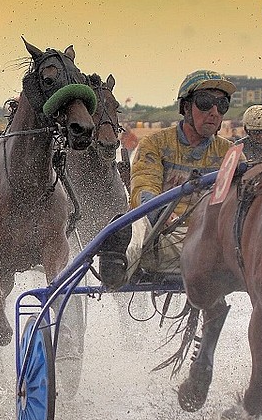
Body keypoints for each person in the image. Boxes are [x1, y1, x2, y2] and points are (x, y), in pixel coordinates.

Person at [98, 70, 238, 289]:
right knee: (134, 222)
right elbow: (143, 191)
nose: (214, 111)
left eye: (222, 105)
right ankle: (116, 267)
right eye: (205, 102)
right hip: (162, 238)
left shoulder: (231, 154)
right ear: (185, 108)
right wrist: (164, 215)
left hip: (210, 246)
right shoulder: (154, 144)